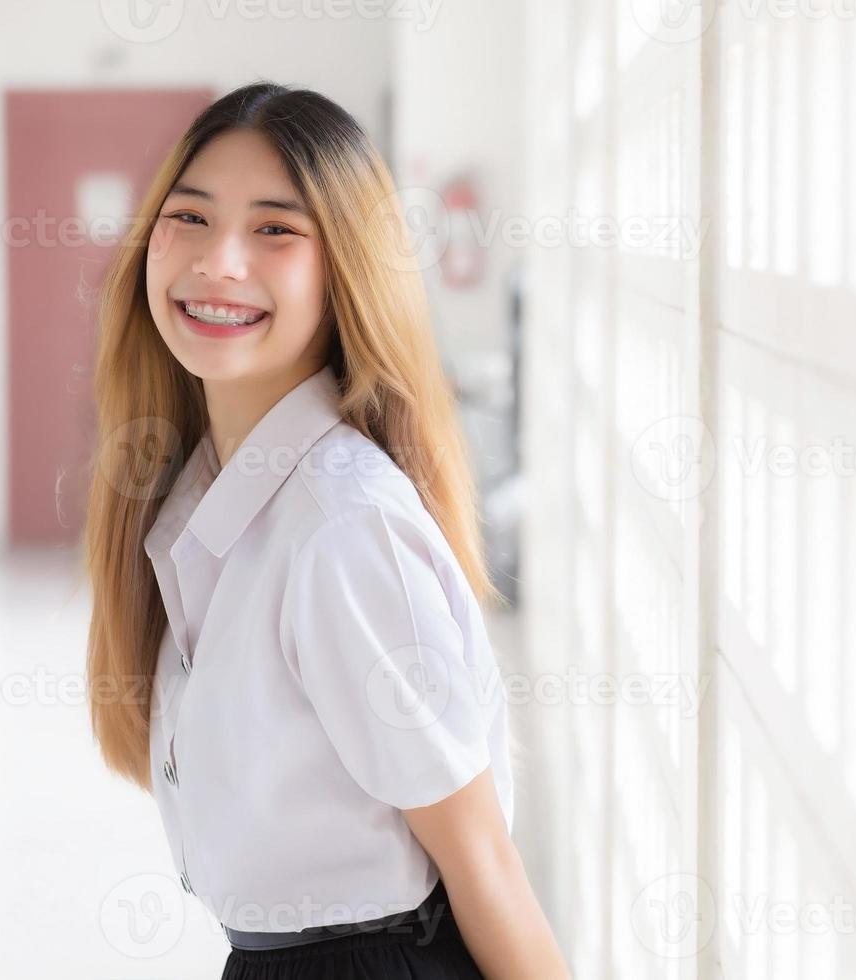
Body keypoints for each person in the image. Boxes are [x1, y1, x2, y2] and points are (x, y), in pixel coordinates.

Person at [83, 81, 570, 979]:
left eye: (276, 229)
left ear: (342, 269)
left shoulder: (342, 530)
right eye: (190, 218)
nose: (219, 261)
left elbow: (484, 864)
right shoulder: (206, 502)